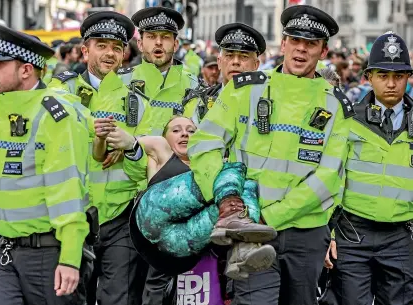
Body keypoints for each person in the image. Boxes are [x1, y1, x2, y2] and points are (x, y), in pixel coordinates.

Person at [187, 5, 355, 305]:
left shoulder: (337, 106)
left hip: (304, 232)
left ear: (324, 50)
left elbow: (329, 178)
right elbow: (204, 144)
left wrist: (267, 216)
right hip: (249, 230)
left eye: (311, 44)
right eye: (295, 40)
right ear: (284, 42)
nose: (301, 50)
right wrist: (227, 200)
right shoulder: (244, 90)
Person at [94, 116, 277, 299]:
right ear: (165, 136)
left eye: (191, 131)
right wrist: (119, 144)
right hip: (154, 220)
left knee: (245, 185)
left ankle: (243, 248)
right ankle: (245, 243)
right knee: (234, 170)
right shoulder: (160, 149)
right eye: (176, 130)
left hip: (177, 244)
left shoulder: (213, 170)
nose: (184, 134)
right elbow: (112, 148)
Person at [0, 24, 90, 305]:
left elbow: (68, 192)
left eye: (0, 64)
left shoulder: (54, 115)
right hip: (5, 249)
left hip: (46, 255)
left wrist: (69, 258)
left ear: (26, 70)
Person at [49, 11, 151, 305]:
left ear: (125, 54)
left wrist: (131, 146)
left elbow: (143, 169)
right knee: (69, 298)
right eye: (102, 45)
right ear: (85, 50)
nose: (110, 53)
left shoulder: (138, 103)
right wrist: (88, 132)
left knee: (118, 299)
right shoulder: (61, 91)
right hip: (72, 215)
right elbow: (48, 145)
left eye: (117, 47)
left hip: (120, 218)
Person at [326, 32, 413, 305]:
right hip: (352, 233)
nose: (390, 83)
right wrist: (327, 234)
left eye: (398, 76)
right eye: (383, 75)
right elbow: (330, 177)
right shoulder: (348, 119)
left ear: (408, 78)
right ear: (369, 77)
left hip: (401, 236)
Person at [118, 7, 200, 137]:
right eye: (151, 36)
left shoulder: (195, 87)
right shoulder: (120, 82)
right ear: (140, 44)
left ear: (176, 44)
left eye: (165, 37)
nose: (158, 42)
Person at [184, 23, 265, 125]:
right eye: (229, 55)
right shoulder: (199, 101)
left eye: (244, 56)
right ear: (219, 62)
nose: (235, 62)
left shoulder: (267, 102)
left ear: (256, 65)